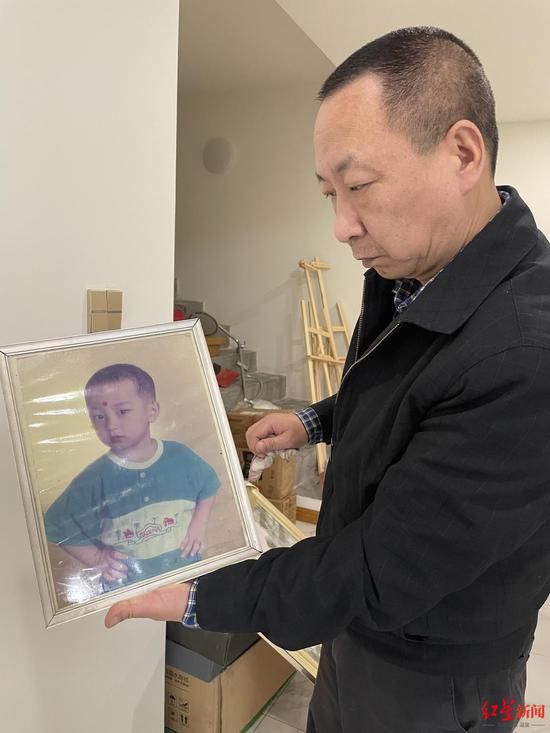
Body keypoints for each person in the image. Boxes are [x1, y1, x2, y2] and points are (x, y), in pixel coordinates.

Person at [104, 27, 550, 732]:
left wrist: (200, 596)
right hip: (356, 622)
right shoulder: (412, 269)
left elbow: (381, 570)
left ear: (463, 153)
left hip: (434, 668)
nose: (342, 226)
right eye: (328, 193)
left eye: (360, 186)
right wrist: (314, 420)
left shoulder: (525, 350)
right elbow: (410, 390)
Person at [45, 363, 219, 591]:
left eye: (123, 411)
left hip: (186, 577)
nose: (111, 425)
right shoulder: (93, 478)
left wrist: (198, 524)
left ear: (152, 411)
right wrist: (96, 559)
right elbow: (55, 523)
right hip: (128, 589)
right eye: (99, 416)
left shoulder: (179, 456)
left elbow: (209, 484)